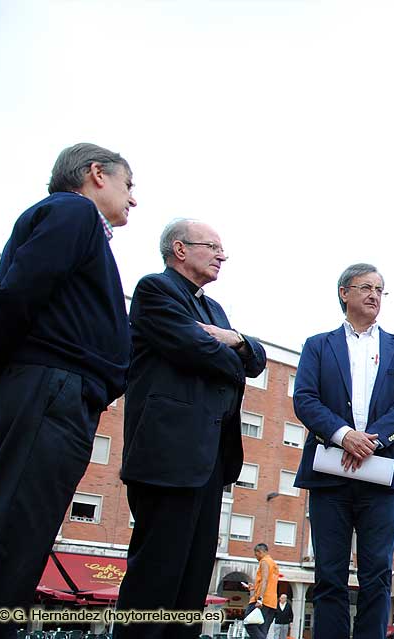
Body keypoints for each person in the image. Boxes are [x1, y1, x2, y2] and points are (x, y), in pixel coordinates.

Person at [0, 143, 136, 637]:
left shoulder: (76, 224)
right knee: (13, 531)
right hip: (51, 389)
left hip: (57, 392)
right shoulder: (74, 212)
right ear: (96, 174)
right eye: (128, 185)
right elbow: (18, 292)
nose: (132, 199)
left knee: (23, 532)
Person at [114, 219, 266, 639]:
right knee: (155, 576)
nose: (222, 256)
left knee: (193, 582)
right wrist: (231, 349)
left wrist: (231, 339)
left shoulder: (213, 309)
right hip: (167, 456)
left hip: (210, 462)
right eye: (213, 247)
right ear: (180, 249)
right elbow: (198, 350)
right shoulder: (155, 291)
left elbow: (256, 359)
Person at [293, 263, 394, 639]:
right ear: (344, 293)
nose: (374, 295)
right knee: (329, 574)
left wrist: (372, 440)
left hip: (382, 476)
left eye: (380, 290)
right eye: (366, 287)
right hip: (329, 475)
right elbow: (305, 399)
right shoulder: (318, 346)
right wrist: (344, 435)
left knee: (378, 574)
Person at [245, 544, 279, 639]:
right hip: (272, 602)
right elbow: (270, 582)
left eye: (256, 555)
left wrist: (260, 599)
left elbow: (265, 580)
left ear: (259, 552)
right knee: (262, 629)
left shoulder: (264, 561)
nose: (256, 557)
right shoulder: (273, 564)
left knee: (249, 622)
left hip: (262, 600)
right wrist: (254, 587)